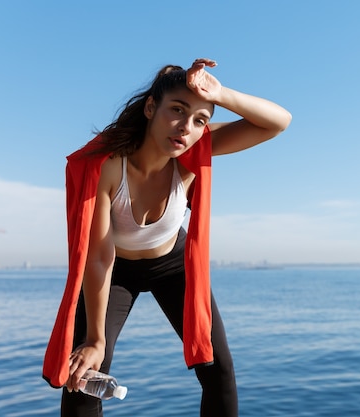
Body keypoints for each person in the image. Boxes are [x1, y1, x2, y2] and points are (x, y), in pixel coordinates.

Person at [42, 58, 292, 417]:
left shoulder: (194, 150)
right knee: (84, 373)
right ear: (149, 107)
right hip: (115, 271)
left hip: (172, 264)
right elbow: (98, 257)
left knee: (218, 368)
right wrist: (95, 340)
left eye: (200, 120)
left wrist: (220, 94)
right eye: (177, 110)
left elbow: (278, 122)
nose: (186, 128)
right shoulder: (109, 165)